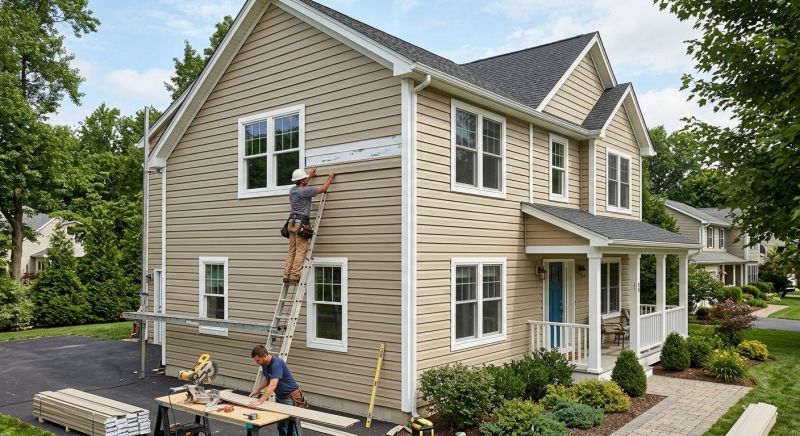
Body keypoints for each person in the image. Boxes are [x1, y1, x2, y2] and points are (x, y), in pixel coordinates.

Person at [283, 167, 335, 284]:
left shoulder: (293, 190)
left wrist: (310, 175)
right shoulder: (304, 191)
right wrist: (330, 177)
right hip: (301, 224)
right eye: (305, 178)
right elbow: (324, 188)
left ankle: (287, 275)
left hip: (291, 224)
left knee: (292, 251)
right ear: (302, 180)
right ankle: (295, 276)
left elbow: (304, 186)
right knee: (301, 251)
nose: (307, 178)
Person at [249, 345, 307, 436]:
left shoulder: (277, 364)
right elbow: (267, 379)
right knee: (281, 425)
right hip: (281, 397)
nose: (256, 362)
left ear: (265, 356)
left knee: (291, 427)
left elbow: (272, 385)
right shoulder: (264, 364)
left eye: (258, 360)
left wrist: (260, 401)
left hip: (290, 397)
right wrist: (257, 389)